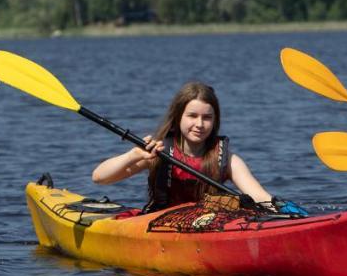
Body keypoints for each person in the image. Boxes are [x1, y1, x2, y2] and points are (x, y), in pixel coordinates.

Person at [92, 81, 276, 212]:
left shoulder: (227, 159)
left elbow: (260, 197)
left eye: (207, 117)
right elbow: (100, 177)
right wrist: (133, 155)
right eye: (192, 116)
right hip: (161, 226)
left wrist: (289, 216)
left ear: (215, 121)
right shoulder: (158, 153)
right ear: (178, 118)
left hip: (209, 226)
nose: (200, 124)